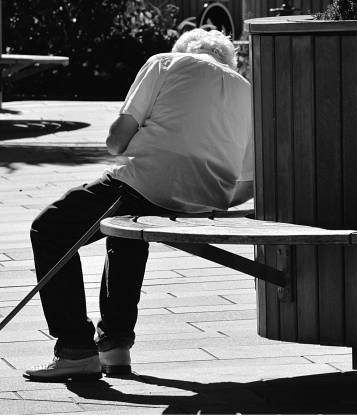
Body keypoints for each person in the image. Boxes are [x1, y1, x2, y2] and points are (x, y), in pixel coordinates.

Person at [24, 28, 254, 381]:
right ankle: (115, 348)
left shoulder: (164, 63)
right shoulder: (247, 91)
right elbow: (244, 186)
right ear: (228, 61)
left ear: (183, 50)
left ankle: (75, 349)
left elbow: (116, 141)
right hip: (207, 198)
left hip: (147, 184)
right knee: (126, 232)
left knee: (50, 228)